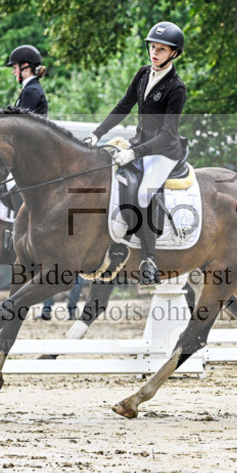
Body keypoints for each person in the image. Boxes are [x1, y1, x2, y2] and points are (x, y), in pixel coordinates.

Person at [83, 21, 188, 285]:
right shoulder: (143, 74)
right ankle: (119, 238)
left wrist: (133, 153)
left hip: (164, 151)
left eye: (162, 49)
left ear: (174, 53)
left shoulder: (176, 88)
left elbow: (166, 134)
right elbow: (123, 106)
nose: (154, 53)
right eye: (153, 47)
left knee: (144, 191)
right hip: (139, 143)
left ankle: (149, 259)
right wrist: (97, 134)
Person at [5, 44, 48, 115]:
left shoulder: (31, 90)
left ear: (25, 67)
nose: (13, 72)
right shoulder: (31, 87)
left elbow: (22, 122)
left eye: (15, 68)